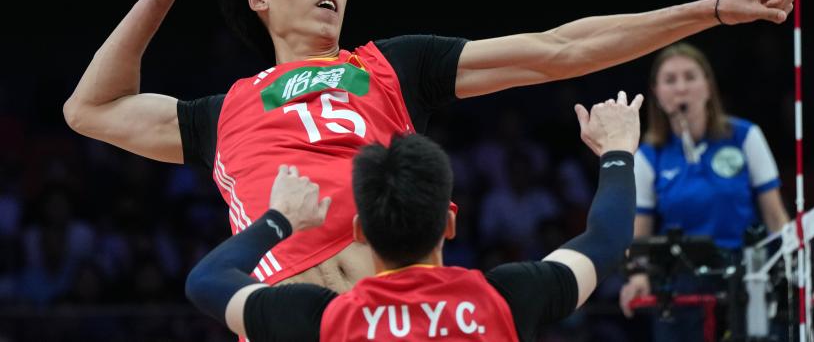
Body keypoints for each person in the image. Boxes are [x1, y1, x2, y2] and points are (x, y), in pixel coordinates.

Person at [63, 0, 794, 292]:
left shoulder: (391, 66)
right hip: (294, 316)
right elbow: (89, 109)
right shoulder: (221, 113)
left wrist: (714, 9)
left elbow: (559, 49)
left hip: (407, 312)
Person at [185, 91, 643, 342]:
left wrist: (279, 220)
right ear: (449, 222)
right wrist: (618, 150)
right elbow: (607, 239)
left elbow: (205, 281)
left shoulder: (323, 318)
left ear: (361, 230)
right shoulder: (506, 297)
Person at [618, 43, 789, 340]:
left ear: (708, 86)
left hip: (746, 275)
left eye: (690, 76)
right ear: (656, 93)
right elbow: (639, 231)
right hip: (682, 283)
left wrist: (793, 268)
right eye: (670, 80)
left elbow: (775, 216)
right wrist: (638, 275)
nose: (681, 88)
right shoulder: (648, 156)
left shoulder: (745, 136)